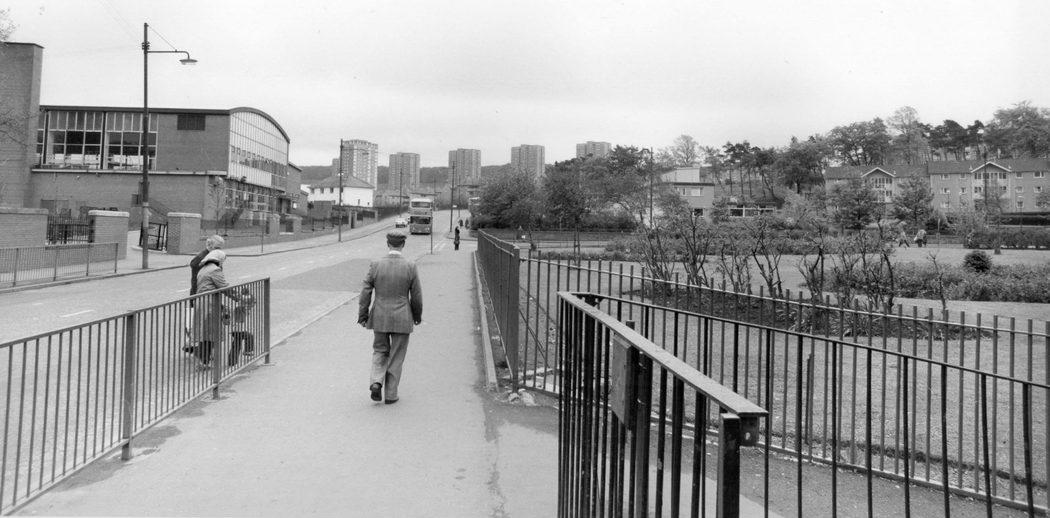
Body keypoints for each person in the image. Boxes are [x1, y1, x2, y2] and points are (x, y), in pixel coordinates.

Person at [358, 231, 423, 404]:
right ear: (403, 245)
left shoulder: (376, 265)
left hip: (380, 316)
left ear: (388, 244)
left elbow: (365, 291)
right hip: (402, 317)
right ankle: (391, 394)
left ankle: (376, 382)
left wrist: (363, 315)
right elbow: (416, 295)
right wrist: (417, 316)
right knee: (397, 356)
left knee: (380, 350)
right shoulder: (410, 266)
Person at [193, 250, 242, 367]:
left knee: (206, 332)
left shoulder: (203, 269)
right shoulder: (215, 270)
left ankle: (203, 358)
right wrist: (239, 298)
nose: (222, 263)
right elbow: (224, 287)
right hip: (209, 304)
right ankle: (203, 360)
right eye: (223, 261)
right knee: (211, 333)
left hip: (202, 301)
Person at [184, 235, 225, 354]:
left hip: (208, 295)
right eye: (217, 247)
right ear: (209, 245)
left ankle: (198, 349)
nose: (219, 250)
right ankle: (196, 348)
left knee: (204, 323)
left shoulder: (213, 258)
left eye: (220, 248)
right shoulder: (203, 258)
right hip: (200, 295)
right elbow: (194, 264)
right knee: (198, 323)